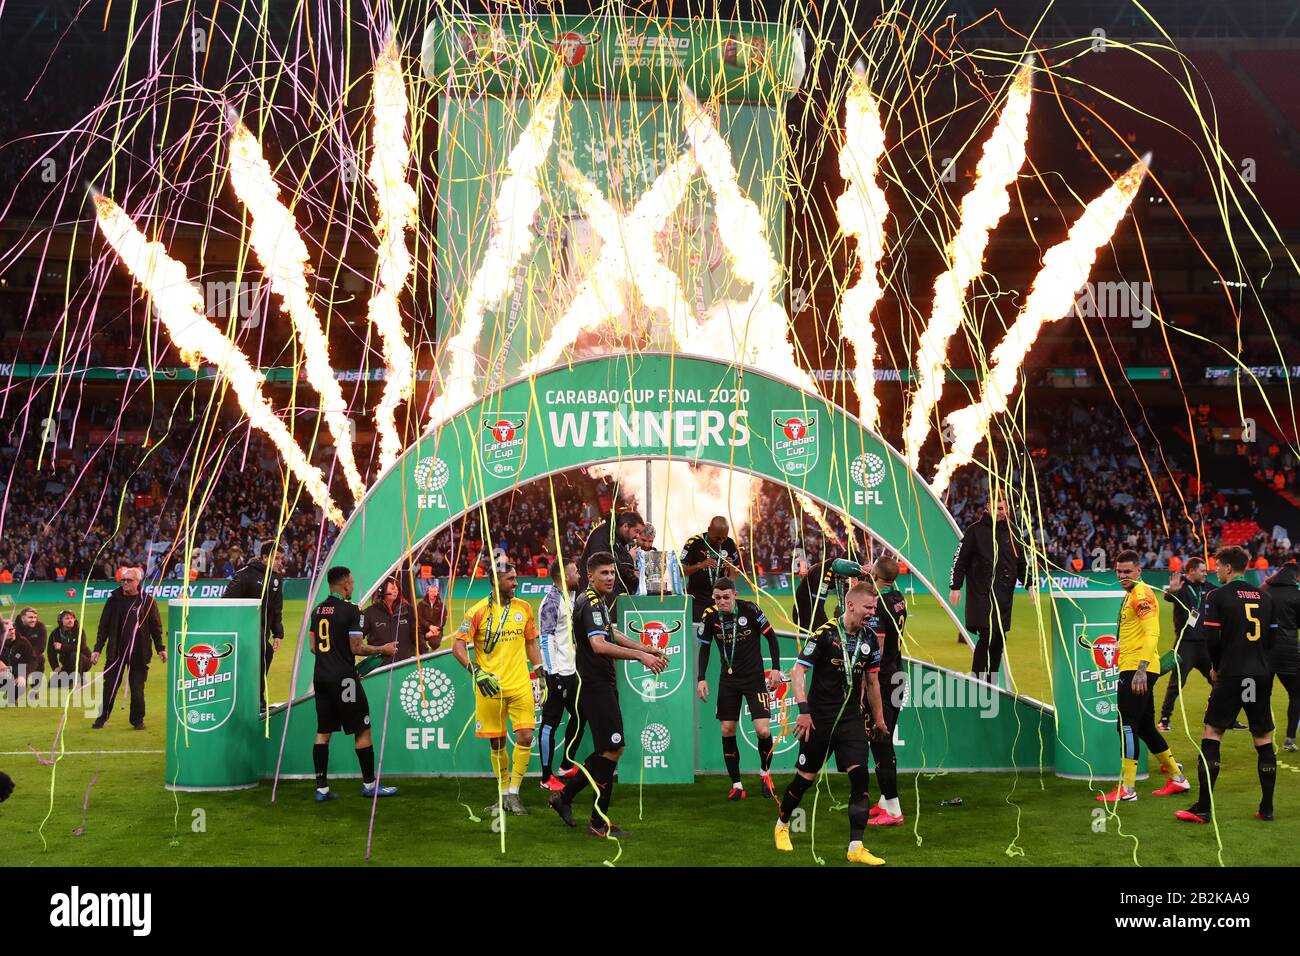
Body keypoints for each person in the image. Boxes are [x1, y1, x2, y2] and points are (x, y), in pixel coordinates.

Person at [548, 551, 667, 838]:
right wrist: (640, 657)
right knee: (612, 749)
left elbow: (610, 631)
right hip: (594, 685)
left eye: (613, 573)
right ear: (592, 576)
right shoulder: (589, 602)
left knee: (610, 749)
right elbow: (600, 645)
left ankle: (564, 798)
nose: (611, 577)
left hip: (599, 683)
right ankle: (597, 822)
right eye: (605, 573)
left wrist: (645, 648)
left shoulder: (595, 600)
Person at [773, 580, 889, 865]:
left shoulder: (870, 639)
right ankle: (782, 825)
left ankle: (856, 846)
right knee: (804, 780)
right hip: (819, 720)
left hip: (851, 719)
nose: (872, 612)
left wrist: (879, 720)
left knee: (860, 778)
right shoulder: (824, 635)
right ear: (850, 605)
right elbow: (798, 672)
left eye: (874, 607)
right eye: (868, 607)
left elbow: (872, 682)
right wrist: (803, 710)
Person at [1176, 546, 1278, 823]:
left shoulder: (1217, 596)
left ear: (1229, 568)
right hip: (1258, 674)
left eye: (1218, 566)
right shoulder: (1265, 597)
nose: (1215, 570)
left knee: (1212, 732)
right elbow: (1271, 641)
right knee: (1263, 738)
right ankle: (1267, 809)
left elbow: (1212, 640)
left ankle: (1203, 808)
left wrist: (1215, 668)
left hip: (1232, 673)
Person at [1096, 550, 1190, 803]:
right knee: (1146, 727)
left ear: (1139, 571)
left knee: (1126, 725)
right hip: (1137, 667)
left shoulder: (1141, 594)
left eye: (1128, 571)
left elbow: (1152, 634)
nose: (1123, 576)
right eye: (1119, 571)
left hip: (1137, 670)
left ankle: (1127, 789)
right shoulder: (1132, 595)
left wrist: (1140, 670)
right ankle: (1177, 779)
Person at [453, 563, 543, 816]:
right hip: (490, 687)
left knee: (525, 736)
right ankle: (503, 794)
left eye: (516, 578)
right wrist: (477, 672)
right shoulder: (477, 612)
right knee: (497, 742)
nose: (516, 583)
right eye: (510, 579)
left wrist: (540, 671)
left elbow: (531, 643)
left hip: (520, 684)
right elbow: (457, 647)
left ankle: (514, 793)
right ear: (495, 581)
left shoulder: (524, 608)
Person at [309, 565, 399, 802]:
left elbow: (312, 647)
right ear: (346, 584)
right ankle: (370, 785)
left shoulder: (317, 611)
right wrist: (383, 649)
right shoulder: (352, 611)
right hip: (344, 679)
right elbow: (357, 647)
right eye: (352, 582)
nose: (353, 585)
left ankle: (322, 789)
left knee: (323, 732)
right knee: (362, 729)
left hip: (321, 677)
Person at [697, 577, 782, 800]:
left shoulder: (751, 610)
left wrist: (775, 668)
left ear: (734, 594)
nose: (722, 601)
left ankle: (765, 773)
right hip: (729, 680)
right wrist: (701, 678)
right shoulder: (710, 617)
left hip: (754, 679)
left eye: (726, 597)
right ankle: (737, 785)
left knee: (763, 730)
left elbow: (771, 637)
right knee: (727, 730)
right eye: (717, 598)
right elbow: (704, 649)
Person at [948, 494, 1027, 678]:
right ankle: (978, 678)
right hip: (981, 594)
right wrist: (955, 586)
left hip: (1004, 595)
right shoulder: (974, 531)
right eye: (996, 508)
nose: (1000, 512)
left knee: (999, 638)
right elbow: (959, 560)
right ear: (987, 507)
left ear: (1008, 509)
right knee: (986, 635)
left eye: (1003, 509)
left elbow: (1022, 562)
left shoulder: (1014, 531)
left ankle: (992, 678)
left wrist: (1030, 584)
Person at [91, 567, 164, 730]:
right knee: (109, 686)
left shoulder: (147, 601)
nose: (125, 583)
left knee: (137, 688)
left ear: (138, 582)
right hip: (115, 652)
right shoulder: (113, 600)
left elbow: (155, 626)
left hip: (140, 652)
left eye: (129, 580)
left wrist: (160, 648)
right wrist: (97, 649)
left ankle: (137, 720)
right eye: (123, 580)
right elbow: (103, 626)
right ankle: (102, 717)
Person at [867, 556, 908, 826]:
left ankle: (893, 811)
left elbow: (878, 650)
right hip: (899, 672)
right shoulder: (898, 596)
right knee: (886, 738)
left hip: (883, 678)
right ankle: (884, 800)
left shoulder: (879, 605)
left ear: (877, 575)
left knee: (879, 740)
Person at [538, 558, 585, 790]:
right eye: (575, 572)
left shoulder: (571, 596)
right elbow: (545, 639)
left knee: (580, 715)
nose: (579, 575)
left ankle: (566, 764)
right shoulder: (551, 602)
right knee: (550, 723)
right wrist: (553, 675)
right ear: (565, 577)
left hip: (571, 670)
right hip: (558, 673)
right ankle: (546, 778)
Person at [225, 542, 286, 716]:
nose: (279, 562)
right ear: (265, 557)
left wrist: (278, 633)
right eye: (277, 558)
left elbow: (276, 608)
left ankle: (254, 697)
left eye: (281, 559)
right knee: (261, 655)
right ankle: (255, 700)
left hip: (262, 631)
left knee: (266, 654)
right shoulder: (245, 575)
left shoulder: (276, 578)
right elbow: (227, 601)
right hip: (245, 631)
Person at [1158, 557, 1214, 732]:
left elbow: (1224, 594)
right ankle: (1164, 719)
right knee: (1176, 684)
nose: (1206, 573)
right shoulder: (1181, 587)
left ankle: (1225, 717)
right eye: (1202, 570)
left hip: (1205, 645)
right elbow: (1169, 597)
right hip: (1186, 644)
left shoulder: (1208, 588)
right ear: (1191, 571)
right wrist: (1171, 592)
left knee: (1218, 681)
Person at [1262, 553, 1300, 752]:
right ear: (1296, 577)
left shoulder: (1264, 589)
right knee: (1296, 694)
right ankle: (1290, 738)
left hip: (1264, 651)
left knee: (1263, 695)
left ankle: (1263, 737)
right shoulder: (1296, 594)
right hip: (1288, 652)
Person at [681, 516, 741, 626]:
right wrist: (700, 565)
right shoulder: (694, 542)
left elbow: (733, 579)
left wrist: (731, 567)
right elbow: (680, 571)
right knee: (699, 634)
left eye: (724, 538)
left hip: (721, 601)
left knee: (722, 635)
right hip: (698, 601)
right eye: (717, 538)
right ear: (709, 530)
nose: (721, 541)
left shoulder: (730, 544)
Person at [580, 511, 644, 594]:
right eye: (636, 531)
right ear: (625, 526)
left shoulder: (617, 538)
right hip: (594, 596)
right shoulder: (601, 537)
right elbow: (605, 563)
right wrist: (629, 558)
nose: (637, 536)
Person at [364, 576, 416, 662]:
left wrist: (425, 653)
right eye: (392, 588)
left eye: (397, 588)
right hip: (380, 666)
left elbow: (416, 634)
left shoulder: (408, 609)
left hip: (405, 663)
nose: (396, 590)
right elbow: (357, 640)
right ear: (382, 590)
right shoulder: (369, 612)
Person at [47, 610, 92, 688]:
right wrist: (55, 666)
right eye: (67, 618)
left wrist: (62, 647)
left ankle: (79, 680)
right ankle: (72, 679)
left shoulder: (79, 630)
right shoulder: (55, 633)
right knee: (52, 684)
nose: (70, 620)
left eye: (72, 618)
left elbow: (81, 646)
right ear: (61, 620)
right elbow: (50, 651)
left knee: (74, 654)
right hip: (67, 664)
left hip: (84, 660)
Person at [635, 524, 684, 596]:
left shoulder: (655, 554)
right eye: (643, 540)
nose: (646, 544)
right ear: (637, 536)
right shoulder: (629, 550)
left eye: (650, 541)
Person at [792, 559, 837, 634]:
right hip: (806, 616)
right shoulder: (823, 576)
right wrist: (830, 628)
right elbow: (817, 607)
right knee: (823, 639)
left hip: (805, 612)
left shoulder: (827, 566)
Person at [0, 619, 38, 703]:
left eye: (12, 629)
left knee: (19, 688)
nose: (12, 632)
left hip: (17, 675)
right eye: (8, 630)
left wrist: (23, 675)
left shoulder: (23, 642)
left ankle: (13, 696)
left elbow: (33, 661)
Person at [14, 607, 47, 690]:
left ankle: (35, 688)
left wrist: (31, 655)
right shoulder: (15, 628)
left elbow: (41, 646)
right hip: (17, 655)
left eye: (35, 617)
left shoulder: (40, 626)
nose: (33, 620)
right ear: (22, 617)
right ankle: (15, 690)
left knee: (40, 658)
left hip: (33, 654)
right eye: (30, 617)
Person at [415, 579, 447, 657]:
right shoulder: (421, 604)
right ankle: (423, 654)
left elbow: (442, 620)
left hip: (436, 629)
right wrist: (429, 626)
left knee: (435, 643)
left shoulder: (442, 605)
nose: (433, 593)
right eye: (431, 591)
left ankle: (433, 652)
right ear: (428, 592)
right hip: (423, 629)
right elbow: (420, 618)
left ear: (438, 593)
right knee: (419, 643)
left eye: (435, 591)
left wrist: (434, 630)